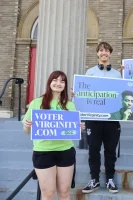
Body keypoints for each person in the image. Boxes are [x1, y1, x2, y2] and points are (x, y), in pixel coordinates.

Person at [23, 70, 84, 200]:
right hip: (43, 152)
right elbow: (27, 131)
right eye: (55, 80)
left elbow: (71, 131)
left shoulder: (70, 105)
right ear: (49, 82)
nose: (58, 83)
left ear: (65, 85)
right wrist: (27, 126)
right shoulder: (36, 103)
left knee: (64, 192)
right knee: (48, 194)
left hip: (65, 151)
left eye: (62, 81)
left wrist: (78, 128)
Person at [80, 42, 121, 194]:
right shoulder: (89, 72)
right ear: (97, 53)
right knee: (93, 150)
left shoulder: (117, 74)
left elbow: (121, 95)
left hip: (111, 119)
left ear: (110, 53)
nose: (104, 53)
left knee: (110, 150)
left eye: (107, 51)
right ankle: (94, 179)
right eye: (101, 50)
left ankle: (110, 179)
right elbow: (85, 94)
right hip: (93, 119)